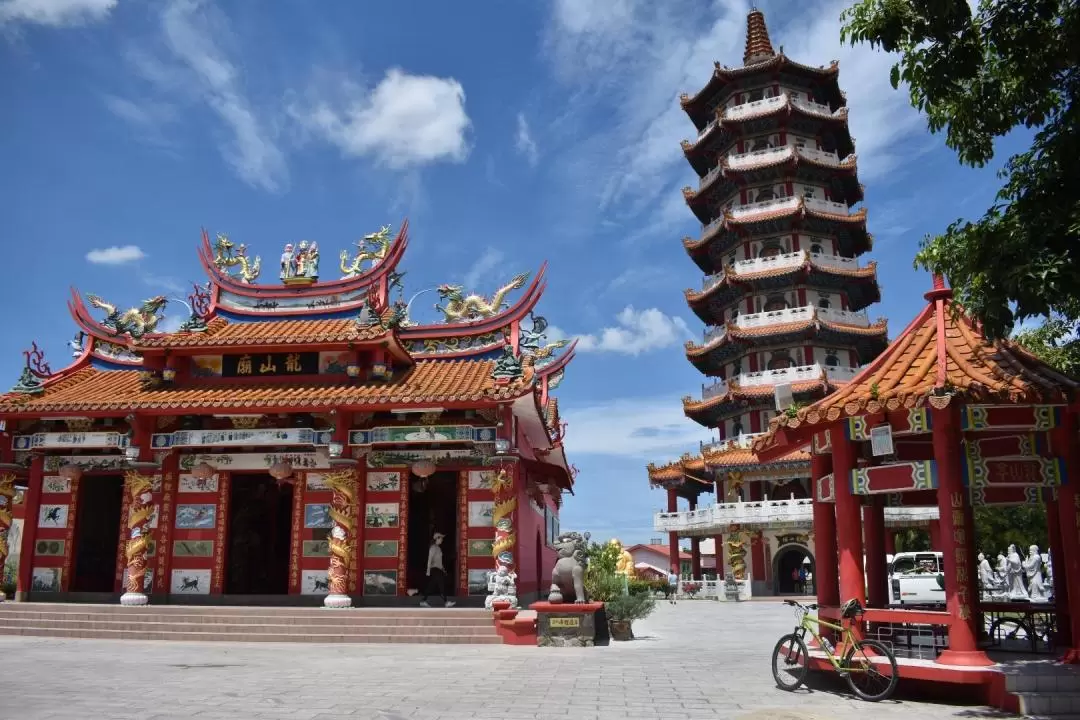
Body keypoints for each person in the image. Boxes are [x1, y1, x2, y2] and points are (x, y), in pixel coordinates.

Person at [420, 531, 456, 608]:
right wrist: (428, 571)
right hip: (434, 569)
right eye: (441, 538)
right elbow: (429, 559)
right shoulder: (433, 548)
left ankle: (423, 601)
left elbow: (439, 561)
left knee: (431, 586)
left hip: (438, 569)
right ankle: (446, 602)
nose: (442, 539)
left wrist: (443, 569)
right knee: (441, 585)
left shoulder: (438, 548)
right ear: (437, 538)